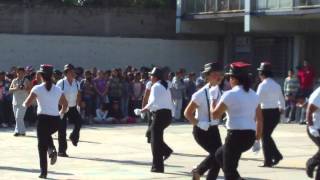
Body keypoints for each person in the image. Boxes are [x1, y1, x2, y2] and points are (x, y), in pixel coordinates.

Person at [213, 61, 263, 180]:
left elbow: (215, 115)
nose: (229, 80)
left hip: (235, 136)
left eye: (229, 77)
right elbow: (260, 119)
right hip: (249, 137)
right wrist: (257, 138)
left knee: (229, 171)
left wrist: (212, 100)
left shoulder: (229, 94)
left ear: (234, 79)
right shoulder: (254, 95)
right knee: (219, 155)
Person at [23, 64, 68, 179]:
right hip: (56, 121)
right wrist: (61, 114)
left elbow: (27, 103)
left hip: (43, 120)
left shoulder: (37, 88)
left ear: (41, 76)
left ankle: (44, 172)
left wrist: (25, 103)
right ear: (52, 75)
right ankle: (51, 148)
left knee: (41, 145)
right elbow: (65, 104)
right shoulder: (58, 89)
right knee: (46, 136)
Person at [184, 62, 223, 180]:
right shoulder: (199, 94)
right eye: (215, 74)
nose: (218, 76)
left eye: (219, 73)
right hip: (201, 130)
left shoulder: (220, 92)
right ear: (207, 76)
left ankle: (200, 173)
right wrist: (200, 123)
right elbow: (187, 113)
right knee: (217, 155)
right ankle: (198, 171)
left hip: (214, 129)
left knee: (218, 158)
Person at [141, 67, 174, 173]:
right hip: (167, 115)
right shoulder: (165, 86)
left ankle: (157, 167)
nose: (150, 77)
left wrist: (144, 109)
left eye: (151, 75)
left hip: (160, 115)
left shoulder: (155, 86)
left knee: (155, 141)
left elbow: (153, 101)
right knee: (153, 135)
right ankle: (166, 151)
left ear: (155, 77)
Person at [256, 62, 285, 167]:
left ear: (262, 74)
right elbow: (282, 100)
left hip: (265, 113)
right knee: (266, 136)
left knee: (265, 136)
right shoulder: (276, 85)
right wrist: (282, 109)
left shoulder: (262, 85)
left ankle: (270, 160)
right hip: (275, 112)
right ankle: (275, 156)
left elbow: (256, 100)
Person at [56, 64, 82, 157]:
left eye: (73, 71)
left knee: (79, 121)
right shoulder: (61, 83)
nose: (73, 73)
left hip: (72, 107)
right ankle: (62, 151)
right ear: (66, 73)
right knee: (62, 129)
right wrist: (61, 108)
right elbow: (57, 96)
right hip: (62, 107)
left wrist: (78, 105)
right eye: (70, 72)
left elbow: (78, 95)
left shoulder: (77, 83)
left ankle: (74, 136)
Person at [9, 67, 32, 136]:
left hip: (24, 102)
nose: (20, 74)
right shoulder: (14, 81)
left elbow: (31, 90)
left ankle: (17, 131)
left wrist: (25, 88)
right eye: (19, 73)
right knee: (17, 117)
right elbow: (10, 90)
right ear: (17, 73)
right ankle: (22, 131)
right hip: (15, 102)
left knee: (18, 117)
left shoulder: (27, 80)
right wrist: (16, 88)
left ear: (24, 73)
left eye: (22, 73)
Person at [306, 86, 320, 179]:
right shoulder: (319, 93)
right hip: (316, 127)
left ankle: (312, 162)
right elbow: (309, 110)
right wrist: (311, 126)